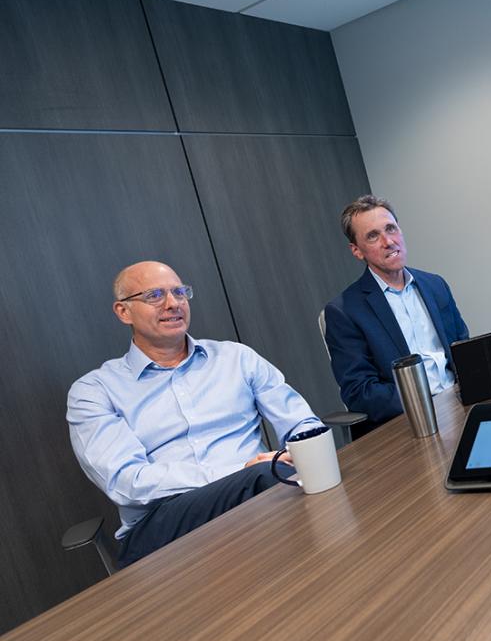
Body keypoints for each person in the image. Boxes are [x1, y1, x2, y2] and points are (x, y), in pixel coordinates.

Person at [68, 261, 323, 568]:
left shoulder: (235, 358)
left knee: (300, 483)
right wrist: (238, 470)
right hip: (164, 525)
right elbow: (127, 481)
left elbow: (300, 421)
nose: (173, 304)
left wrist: (304, 449)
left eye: (179, 292)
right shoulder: (94, 391)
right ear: (124, 312)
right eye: (154, 296)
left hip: (258, 493)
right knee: (269, 482)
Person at [324, 196, 469, 437]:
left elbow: (462, 350)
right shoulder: (344, 311)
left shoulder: (435, 285)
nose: (388, 241)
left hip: (460, 405)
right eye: (373, 236)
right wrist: (427, 400)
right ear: (357, 251)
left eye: (391, 229)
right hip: (407, 424)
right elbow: (360, 393)